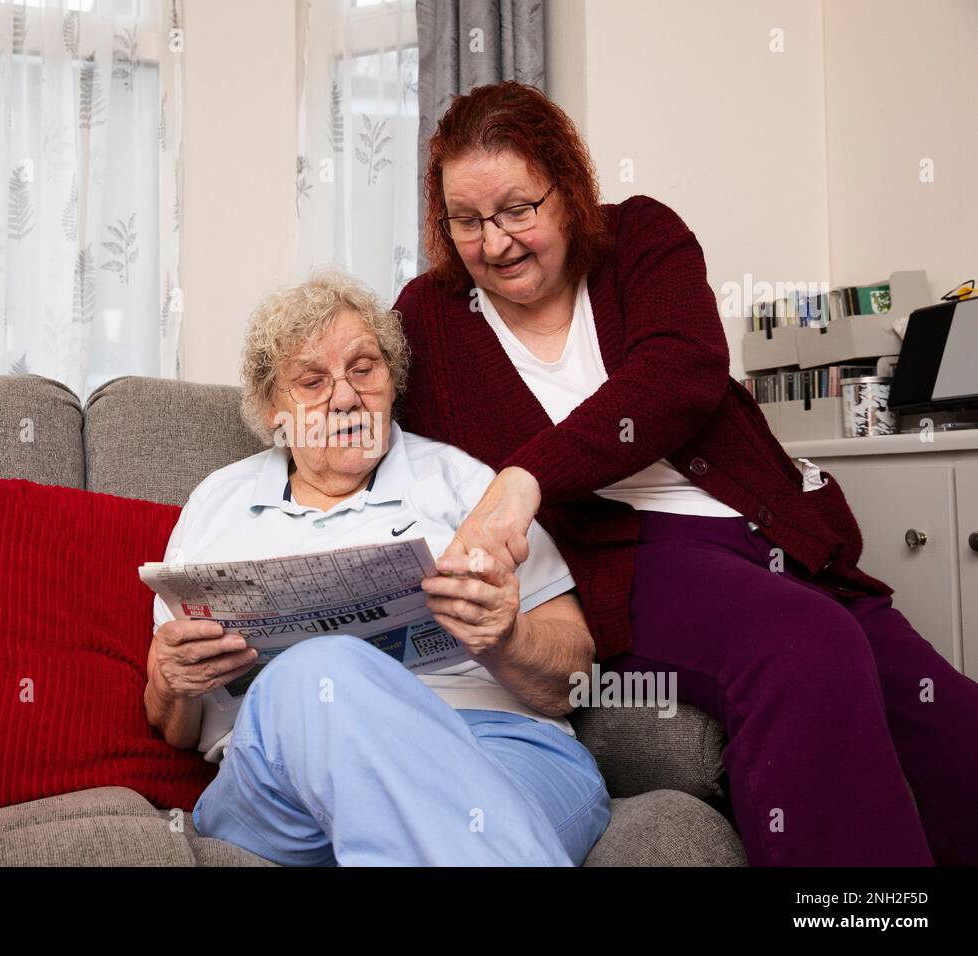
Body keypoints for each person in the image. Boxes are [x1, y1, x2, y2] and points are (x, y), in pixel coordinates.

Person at [391, 79, 978, 866]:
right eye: (467, 221)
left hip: (766, 528)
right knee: (804, 648)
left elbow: (682, 371)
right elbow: (361, 413)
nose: (494, 243)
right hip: (626, 560)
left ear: (568, 188)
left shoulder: (641, 237)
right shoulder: (430, 316)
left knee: (951, 724)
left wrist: (522, 478)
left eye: (518, 209)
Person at [143, 270, 610, 866]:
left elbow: (574, 678)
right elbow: (174, 726)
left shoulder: (464, 483)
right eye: (312, 381)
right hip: (282, 784)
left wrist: (506, 636)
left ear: (392, 381)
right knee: (318, 674)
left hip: (489, 745)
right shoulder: (218, 502)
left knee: (458, 815)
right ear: (271, 409)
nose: (344, 397)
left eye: (363, 369)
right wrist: (172, 682)